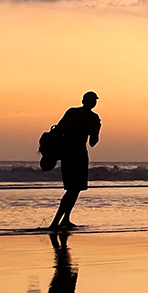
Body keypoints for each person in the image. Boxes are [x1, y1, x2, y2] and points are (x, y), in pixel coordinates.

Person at [49, 92, 100, 229]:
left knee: (73, 189)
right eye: (94, 100)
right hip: (79, 154)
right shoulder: (93, 118)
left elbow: (58, 130)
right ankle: (56, 222)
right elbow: (93, 142)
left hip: (67, 153)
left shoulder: (71, 112)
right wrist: (97, 129)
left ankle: (65, 219)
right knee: (73, 189)